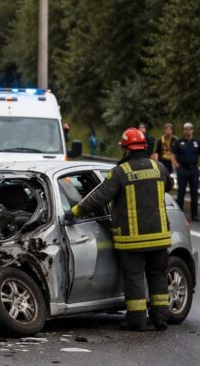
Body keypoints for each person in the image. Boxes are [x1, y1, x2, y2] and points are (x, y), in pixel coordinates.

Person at [70, 128, 173, 331]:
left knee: (134, 278)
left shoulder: (120, 172)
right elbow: (170, 185)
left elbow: (99, 197)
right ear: (144, 147)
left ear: (125, 149)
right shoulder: (159, 167)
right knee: (158, 277)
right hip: (160, 237)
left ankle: (137, 321)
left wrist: (76, 210)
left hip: (133, 240)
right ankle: (161, 319)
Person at [172, 122, 200, 222]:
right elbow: (173, 155)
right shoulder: (179, 142)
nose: (187, 131)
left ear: (192, 130)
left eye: (189, 129)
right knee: (181, 192)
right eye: (185, 129)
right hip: (182, 169)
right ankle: (180, 214)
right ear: (183, 131)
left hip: (194, 170)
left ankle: (194, 215)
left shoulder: (197, 142)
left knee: (194, 193)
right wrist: (176, 164)